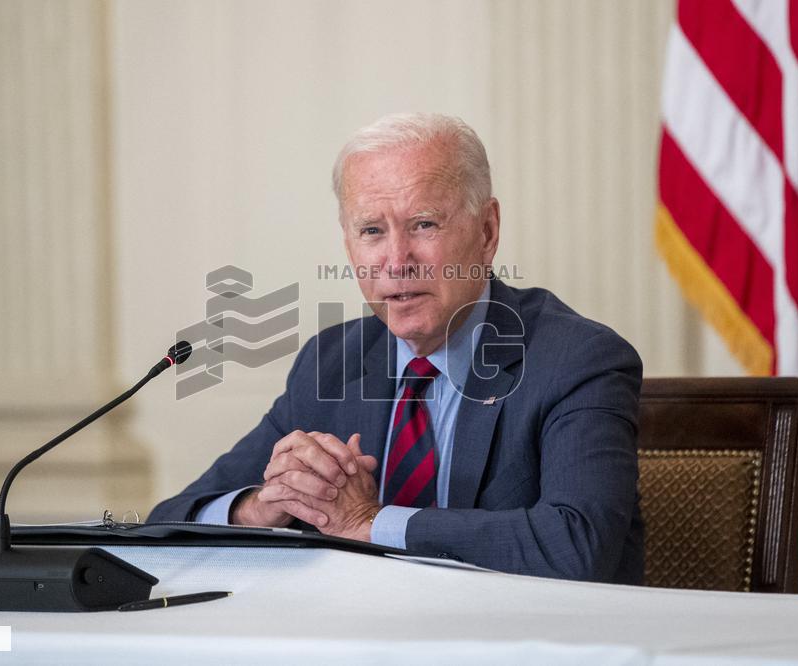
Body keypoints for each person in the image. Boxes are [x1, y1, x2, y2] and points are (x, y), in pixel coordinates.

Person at [148, 113, 644, 583]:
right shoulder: (331, 362)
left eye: (424, 224)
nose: (396, 261)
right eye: (371, 231)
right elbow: (166, 521)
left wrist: (371, 522)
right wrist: (265, 505)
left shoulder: (577, 359)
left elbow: (579, 546)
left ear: (487, 232)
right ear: (349, 247)